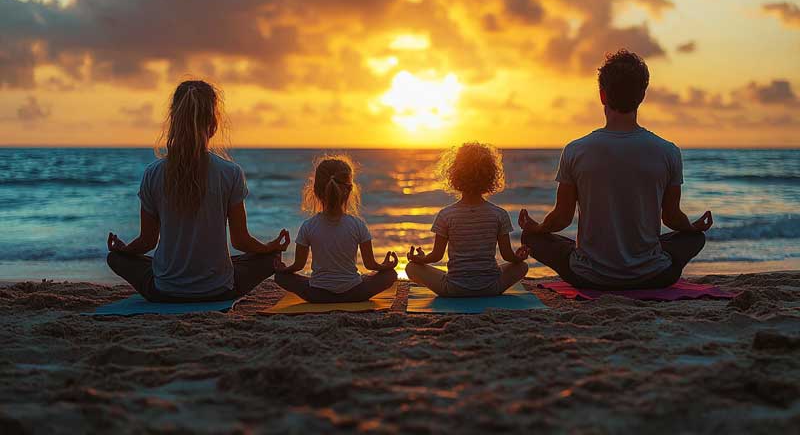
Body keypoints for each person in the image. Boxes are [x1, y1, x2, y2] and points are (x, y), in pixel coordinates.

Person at [520, 49, 713, 290]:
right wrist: (693, 227)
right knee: (694, 238)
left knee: (531, 238)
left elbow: (561, 218)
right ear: (642, 95)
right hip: (653, 275)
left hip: (589, 276)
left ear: (602, 96)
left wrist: (536, 228)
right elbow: (672, 217)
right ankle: (645, 262)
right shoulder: (668, 151)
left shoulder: (575, 150)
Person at [106, 80, 289, 302]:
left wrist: (124, 251)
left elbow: (147, 242)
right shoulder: (230, 172)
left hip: (164, 291)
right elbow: (240, 241)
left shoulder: (153, 173)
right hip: (219, 290)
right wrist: (269, 247)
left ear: (174, 121)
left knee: (115, 259)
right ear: (213, 125)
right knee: (270, 258)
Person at [405, 142, 529, 297]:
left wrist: (421, 259)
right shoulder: (499, 214)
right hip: (491, 287)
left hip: (454, 289)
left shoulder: (446, 215)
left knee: (411, 268)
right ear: (491, 177)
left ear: (454, 176)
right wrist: (518, 258)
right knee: (522, 267)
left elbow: (436, 256)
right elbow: (507, 256)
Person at [273, 156, 399, 303]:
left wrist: (283, 270)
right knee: (390, 275)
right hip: (354, 293)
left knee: (280, 278)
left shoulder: (308, 226)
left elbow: (298, 266)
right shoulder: (358, 225)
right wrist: (384, 266)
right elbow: (370, 265)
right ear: (349, 190)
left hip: (318, 295)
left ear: (316, 190)